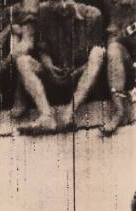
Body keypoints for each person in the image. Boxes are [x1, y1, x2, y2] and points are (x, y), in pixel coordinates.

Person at [15, 0, 105, 134]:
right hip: (54, 74)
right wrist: (49, 65)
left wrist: (76, 71)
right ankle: (46, 116)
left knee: (98, 53)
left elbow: (96, 58)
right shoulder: (45, 12)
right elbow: (43, 49)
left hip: (80, 76)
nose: (60, 5)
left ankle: (69, 113)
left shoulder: (93, 15)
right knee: (23, 61)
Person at [0, 0, 39, 121]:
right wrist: (8, 29)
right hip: (7, 62)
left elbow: (26, 44)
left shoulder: (26, 5)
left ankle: (20, 96)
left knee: (16, 37)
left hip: (31, 56)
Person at [100, 0, 136, 135]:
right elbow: (113, 38)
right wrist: (126, 33)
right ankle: (119, 110)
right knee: (113, 50)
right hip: (130, 60)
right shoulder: (117, 6)